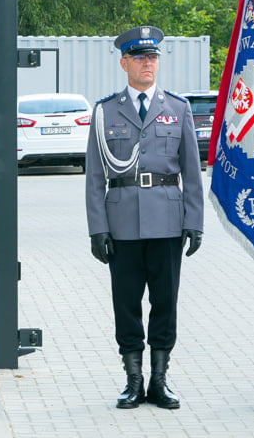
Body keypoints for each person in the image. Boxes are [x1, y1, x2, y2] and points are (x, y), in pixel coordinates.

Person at [85, 25, 204, 410]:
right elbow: (94, 176)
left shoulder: (178, 108)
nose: (147, 63)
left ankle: (159, 380)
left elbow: (192, 170)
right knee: (127, 303)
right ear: (124, 63)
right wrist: (97, 228)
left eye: (152, 57)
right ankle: (133, 380)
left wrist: (194, 222)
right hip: (122, 224)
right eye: (139, 57)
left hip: (168, 221)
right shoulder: (105, 111)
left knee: (165, 302)